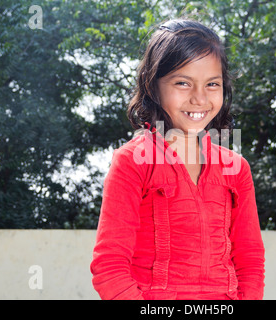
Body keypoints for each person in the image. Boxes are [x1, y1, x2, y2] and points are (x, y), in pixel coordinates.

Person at [90, 18, 265, 300]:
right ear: (153, 86)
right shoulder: (132, 162)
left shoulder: (236, 169)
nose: (199, 98)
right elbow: (109, 266)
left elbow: (250, 261)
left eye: (212, 84)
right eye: (183, 82)